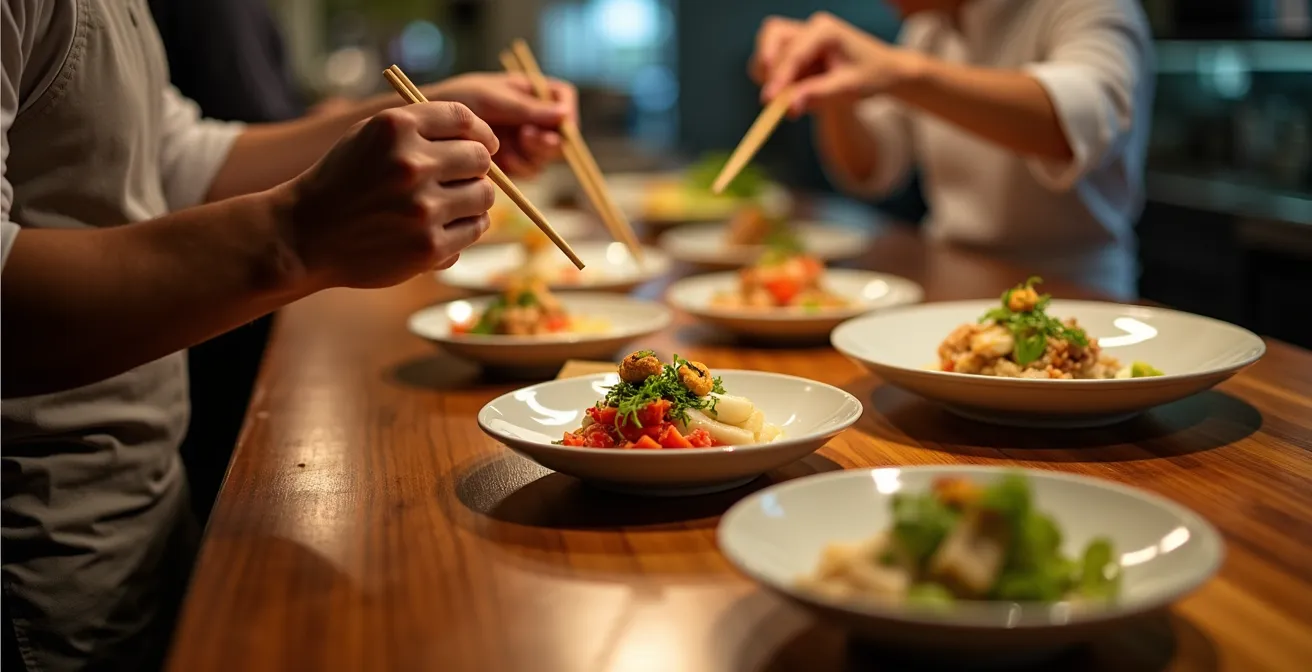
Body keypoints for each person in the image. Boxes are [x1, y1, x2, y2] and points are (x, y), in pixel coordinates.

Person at [0, 1, 575, 670]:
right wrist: (299, 235)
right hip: (38, 557)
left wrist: (429, 117)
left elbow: (173, 156)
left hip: (143, 509)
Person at [751, 0, 1154, 299]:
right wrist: (835, 92)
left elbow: (1075, 122)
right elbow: (870, 168)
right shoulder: (931, 30)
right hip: (950, 283)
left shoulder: (1088, 8)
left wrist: (902, 72)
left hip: (1078, 293)